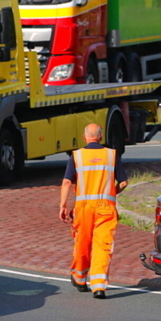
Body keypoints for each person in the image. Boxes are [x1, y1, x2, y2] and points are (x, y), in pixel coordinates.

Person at [59, 123, 128, 299]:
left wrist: (63, 205)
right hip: (106, 207)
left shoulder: (77, 156)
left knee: (82, 243)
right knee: (103, 246)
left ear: (84, 137)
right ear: (101, 136)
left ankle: (80, 278)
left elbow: (67, 182)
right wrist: (112, 193)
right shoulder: (111, 155)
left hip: (83, 208)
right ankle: (99, 286)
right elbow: (124, 182)